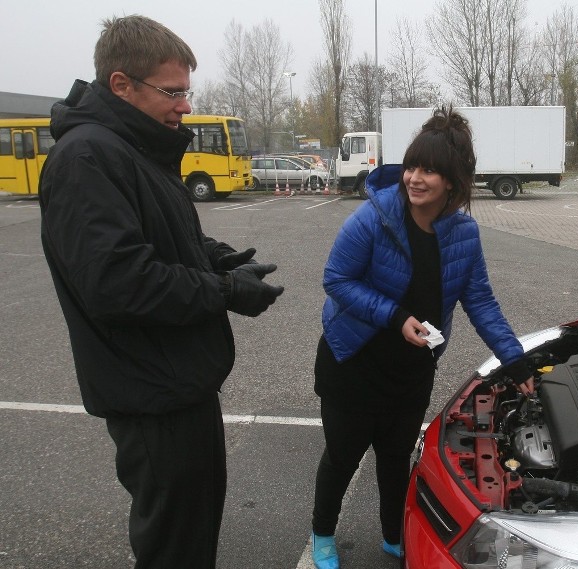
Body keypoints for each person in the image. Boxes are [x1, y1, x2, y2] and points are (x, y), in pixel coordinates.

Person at [38, 15, 284, 569]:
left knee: (193, 531)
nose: (184, 106)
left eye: (186, 92)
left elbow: (165, 238)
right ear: (121, 84)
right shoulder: (87, 159)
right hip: (149, 391)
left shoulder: (137, 150)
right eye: (172, 92)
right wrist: (223, 290)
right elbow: (118, 283)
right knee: (174, 547)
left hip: (175, 383)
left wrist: (218, 256)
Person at [310, 106, 534, 569]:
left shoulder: (464, 233)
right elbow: (336, 280)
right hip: (353, 360)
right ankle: (322, 534)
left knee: (395, 460)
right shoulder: (373, 219)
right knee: (342, 457)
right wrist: (395, 316)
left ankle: (393, 535)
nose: (414, 178)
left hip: (411, 371)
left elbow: (482, 303)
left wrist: (516, 361)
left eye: (429, 170)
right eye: (412, 165)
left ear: (452, 180)